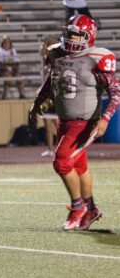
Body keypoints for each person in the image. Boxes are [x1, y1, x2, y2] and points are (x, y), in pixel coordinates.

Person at [29, 15, 119, 230]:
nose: (72, 39)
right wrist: (38, 101)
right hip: (64, 121)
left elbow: (116, 92)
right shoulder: (58, 54)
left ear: (89, 37)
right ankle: (92, 209)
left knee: (61, 162)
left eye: (77, 35)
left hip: (84, 122)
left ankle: (77, 208)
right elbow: (52, 81)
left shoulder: (95, 58)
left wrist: (105, 119)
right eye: (70, 33)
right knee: (79, 166)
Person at [39, 36, 58, 157]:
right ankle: (50, 149)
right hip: (46, 94)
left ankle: (65, 148)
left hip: (53, 94)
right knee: (47, 125)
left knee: (58, 125)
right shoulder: (45, 59)